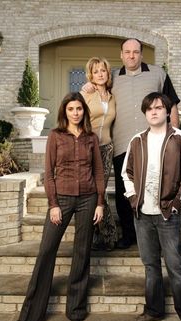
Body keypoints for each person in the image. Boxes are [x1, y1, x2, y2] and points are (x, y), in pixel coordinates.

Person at [10, 92, 105, 321]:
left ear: (84, 111)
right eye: (71, 109)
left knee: (82, 252)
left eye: (79, 109)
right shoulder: (55, 136)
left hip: (88, 199)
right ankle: (31, 313)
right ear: (65, 112)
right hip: (61, 198)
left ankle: (76, 310)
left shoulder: (91, 138)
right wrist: (53, 204)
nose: (75, 113)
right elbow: (49, 173)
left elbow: (99, 172)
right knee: (46, 250)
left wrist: (100, 202)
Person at [82, 38, 180, 249]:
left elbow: (171, 105)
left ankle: (156, 237)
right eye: (127, 52)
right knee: (123, 191)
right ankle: (128, 234)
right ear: (121, 54)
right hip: (122, 144)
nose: (131, 56)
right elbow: (98, 86)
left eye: (135, 52)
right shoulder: (113, 76)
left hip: (153, 144)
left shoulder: (158, 74)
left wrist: (175, 136)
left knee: (154, 188)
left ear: (141, 54)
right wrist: (87, 84)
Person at [121, 92, 181, 321]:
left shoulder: (180, 138)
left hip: (168, 214)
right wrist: (134, 199)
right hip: (142, 215)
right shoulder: (137, 140)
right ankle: (153, 309)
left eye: (158, 107)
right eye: (149, 109)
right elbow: (127, 173)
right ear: (145, 113)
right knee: (150, 266)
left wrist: (177, 204)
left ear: (167, 111)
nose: (154, 112)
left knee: (175, 266)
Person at [81, 57, 117, 251]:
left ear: (107, 73)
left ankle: (101, 236)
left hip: (107, 147)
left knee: (100, 190)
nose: (100, 74)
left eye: (103, 70)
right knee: (94, 190)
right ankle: (107, 235)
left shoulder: (112, 95)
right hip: (89, 147)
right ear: (91, 75)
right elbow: (74, 115)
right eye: (96, 71)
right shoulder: (86, 93)